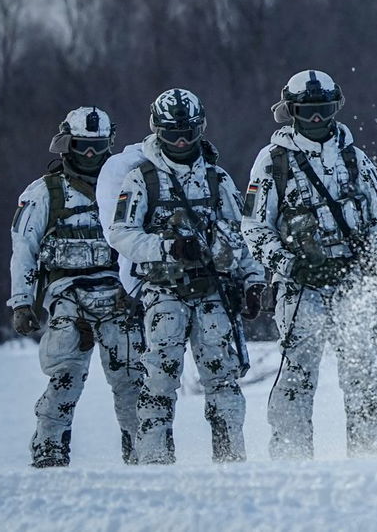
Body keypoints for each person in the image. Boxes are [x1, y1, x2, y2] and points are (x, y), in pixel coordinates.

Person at [104, 88, 266, 464]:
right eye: (172, 132)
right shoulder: (143, 179)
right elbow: (121, 234)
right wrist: (167, 247)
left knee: (222, 380)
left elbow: (240, 234)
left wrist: (253, 280)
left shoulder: (216, 179)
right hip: (163, 293)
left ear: (200, 129)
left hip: (213, 293)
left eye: (188, 132)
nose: (180, 140)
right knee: (158, 381)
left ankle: (230, 461)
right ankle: (155, 464)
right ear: (157, 129)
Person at [241, 69, 377, 459]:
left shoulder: (355, 158)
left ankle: (370, 457)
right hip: (300, 288)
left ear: (335, 108)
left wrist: (371, 258)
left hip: (351, 284)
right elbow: (255, 226)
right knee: (296, 375)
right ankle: (292, 461)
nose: (315, 119)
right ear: (291, 111)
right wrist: (288, 264)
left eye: (322, 109)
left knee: (363, 372)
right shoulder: (273, 162)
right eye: (307, 111)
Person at [8, 106, 144, 467]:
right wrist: (22, 302)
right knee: (64, 375)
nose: (90, 155)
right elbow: (24, 249)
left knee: (131, 379)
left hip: (119, 295)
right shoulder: (44, 193)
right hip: (66, 296)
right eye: (83, 145)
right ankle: (49, 449)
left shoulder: (126, 185)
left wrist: (144, 290)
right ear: (67, 143)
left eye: (97, 147)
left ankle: (144, 453)